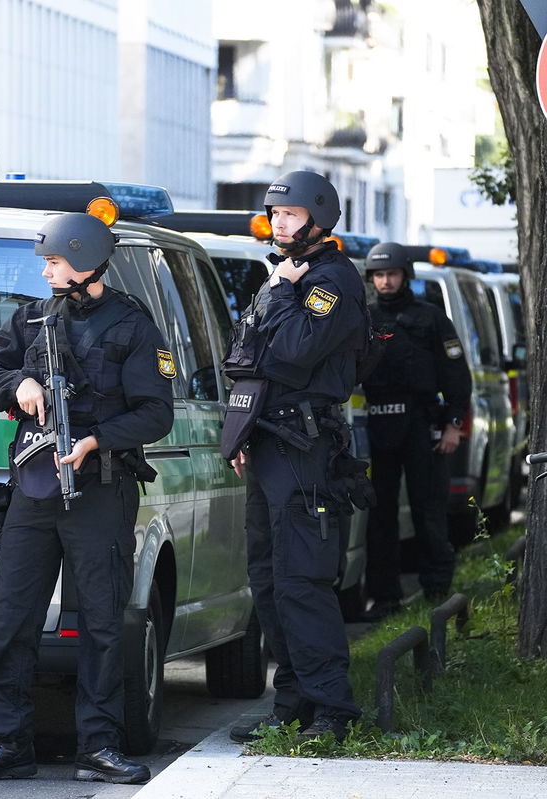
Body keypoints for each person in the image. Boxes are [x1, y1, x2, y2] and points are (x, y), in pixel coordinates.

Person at [0, 212, 174, 785]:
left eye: (53, 261)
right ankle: (6, 743)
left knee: (103, 624)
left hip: (99, 488)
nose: (47, 270)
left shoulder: (131, 325)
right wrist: (18, 384)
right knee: (11, 621)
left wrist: (96, 439)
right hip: (32, 491)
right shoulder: (30, 319)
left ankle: (99, 746)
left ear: (85, 259)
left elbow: (157, 412)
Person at [222, 171, 366, 745]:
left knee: (302, 580)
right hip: (268, 443)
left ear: (319, 216)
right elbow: (242, 354)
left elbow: (290, 354)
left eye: (289, 213)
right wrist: (242, 432)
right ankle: (293, 704)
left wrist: (280, 296)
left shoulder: (330, 280)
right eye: (273, 213)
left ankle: (333, 711)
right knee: (268, 578)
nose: (278, 221)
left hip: (306, 450)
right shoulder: (279, 277)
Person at [360, 242, 471, 620]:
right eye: (379, 274)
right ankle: (384, 596)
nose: (385, 281)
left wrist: (454, 424)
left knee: (429, 509)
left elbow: (456, 375)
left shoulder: (431, 318)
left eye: (391, 274)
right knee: (380, 515)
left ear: (406, 275)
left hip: (422, 424)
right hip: (377, 422)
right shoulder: (364, 318)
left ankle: (437, 591)